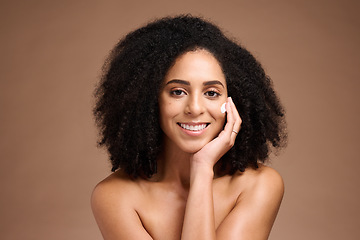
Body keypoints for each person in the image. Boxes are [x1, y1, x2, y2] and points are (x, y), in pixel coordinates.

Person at [91, 15, 287, 240]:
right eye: (177, 92)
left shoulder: (259, 185)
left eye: (211, 93)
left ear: (234, 102)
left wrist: (202, 168)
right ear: (149, 100)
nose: (194, 108)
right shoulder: (115, 196)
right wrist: (203, 169)